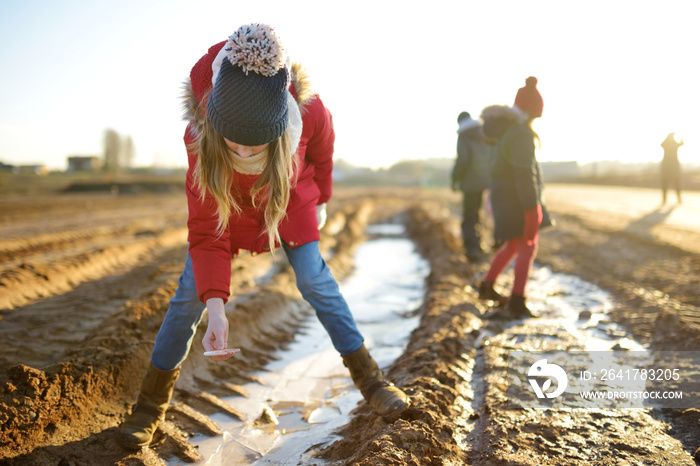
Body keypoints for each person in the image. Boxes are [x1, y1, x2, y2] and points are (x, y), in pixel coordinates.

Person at [116, 23, 410, 450]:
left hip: (288, 207)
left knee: (316, 282)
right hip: (228, 216)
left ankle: (373, 382)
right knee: (187, 299)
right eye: (235, 144)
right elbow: (205, 230)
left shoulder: (309, 114)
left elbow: (323, 157)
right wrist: (215, 308)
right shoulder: (200, 138)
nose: (245, 153)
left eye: (257, 146)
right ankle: (148, 408)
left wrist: (322, 199)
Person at [476, 105, 545, 319]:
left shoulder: (507, 132)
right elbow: (524, 174)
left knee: (514, 244)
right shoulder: (521, 134)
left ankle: (487, 285)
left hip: (504, 198)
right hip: (517, 200)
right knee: (527, 246)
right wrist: (532, 207)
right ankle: (517, 301)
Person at [451, 111, 493, 262]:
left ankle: (471, 249)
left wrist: (455, 179)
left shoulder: (463, 136)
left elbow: (462, 159)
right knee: (477, 212)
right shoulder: (482, 132)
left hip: (469, 183)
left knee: (468, 215)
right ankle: (479, 244)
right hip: (484, 180)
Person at [660, 132, 684, 204]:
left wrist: (678, 136)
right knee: (665, 185)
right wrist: (669, 136)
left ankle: (679, 199)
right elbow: (662, 144)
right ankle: (664, 200)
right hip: (667, 167)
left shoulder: (674, 144)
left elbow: (682, 143)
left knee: (676, 184)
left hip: (673, 167)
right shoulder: (666, 144)